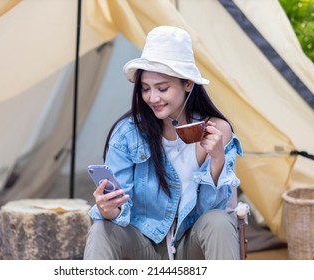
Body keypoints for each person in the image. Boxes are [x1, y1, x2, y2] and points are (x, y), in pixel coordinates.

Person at [83, 26, 242, 260]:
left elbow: (214, 211)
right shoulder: (128, 134)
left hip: (191, 247)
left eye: (163, 88)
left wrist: (217, 160)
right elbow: (119, 205)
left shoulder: (217, 131)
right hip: (144, 246)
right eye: (145, 89)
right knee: (101, 228)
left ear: (188, 83)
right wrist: (109, 209)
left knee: (218, 221)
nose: (152, 98)